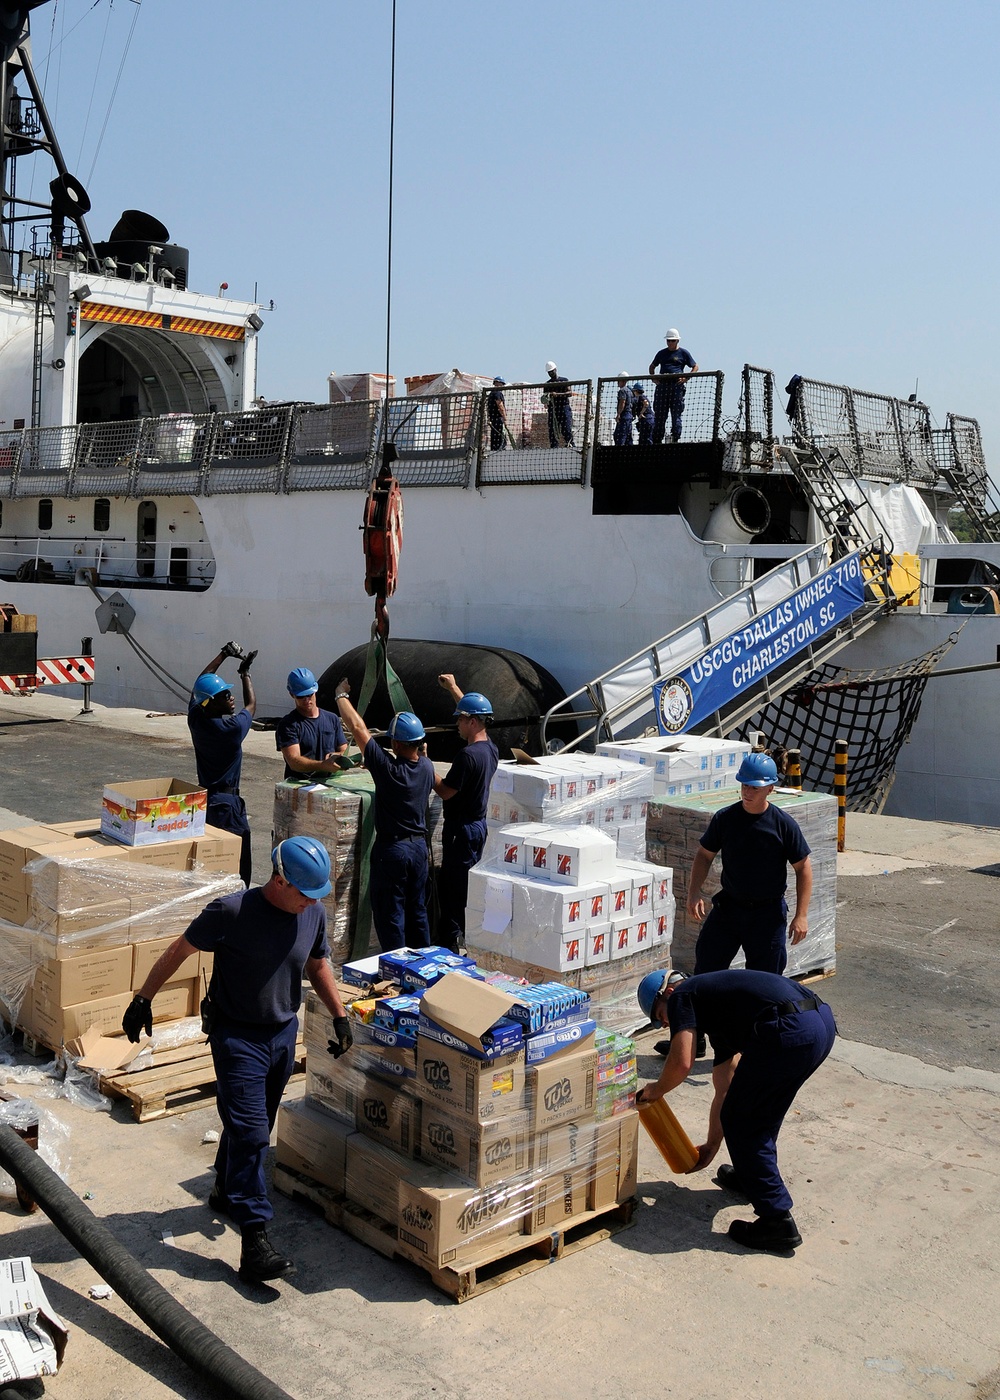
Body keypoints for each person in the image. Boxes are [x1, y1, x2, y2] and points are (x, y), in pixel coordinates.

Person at [121, 836, 353, 1284]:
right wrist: (143, 998)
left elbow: (318, 962)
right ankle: (255, 1241)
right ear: (280, 880)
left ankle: (227, 1190)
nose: (312, 903)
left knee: (255, 1124)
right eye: (306, 894)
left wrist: (339, 1016)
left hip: (283, 1034)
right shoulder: (230, 912)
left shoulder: (313, 913)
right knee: (251, 1134)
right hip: (237, 1038)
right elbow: (180, 949)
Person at [635, 968, 837, 1252]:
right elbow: (725, 1087)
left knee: (744, 1121)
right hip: (819, 1024)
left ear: (666, 993)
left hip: (789, 1028)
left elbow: (681, 1062)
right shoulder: (718, 1009)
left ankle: (776, 1220)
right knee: (757, 1109)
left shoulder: (683, 994)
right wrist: (712, 1145)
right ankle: (750, 1174)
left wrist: (655, 1089)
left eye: (661, 1016)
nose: (668, 1025)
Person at [686, 751, 812, 977]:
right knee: (706, 969)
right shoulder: (725, 819)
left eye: (754, 787)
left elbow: (803, 868)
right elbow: (704, 855)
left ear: (770, 789)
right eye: (744, 785)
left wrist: (801, 915)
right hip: (729, 909)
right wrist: (693, 893)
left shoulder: (783, 825)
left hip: (767, 915)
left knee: (764, 982)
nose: (747, 792)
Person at [333, 680, 435, 950]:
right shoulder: (426, 767)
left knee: (391, 915)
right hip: (418, 850)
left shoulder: (389, 771)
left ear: (396, 743)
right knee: (418, 912)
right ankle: (423, 963)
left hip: (394, 851)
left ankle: (395, 969)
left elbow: (358, 728)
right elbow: (415, 759)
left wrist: (341, 695)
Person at [433, 675, 499, 952]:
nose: (457, 724)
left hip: (461, 830)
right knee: (466, 885)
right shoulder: (490, 749)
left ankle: (453, 945)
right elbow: (472, 708)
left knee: (454, 889)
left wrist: (426, 768)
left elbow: (446, 791)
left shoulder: (467, 757)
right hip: (477, 827)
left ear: (472, 722)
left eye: (460, 719)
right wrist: (453, 689)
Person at [187, 643, 258, 887]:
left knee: (210, 864)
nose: (231, 697)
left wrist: (223, 655)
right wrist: (245, 673)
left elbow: (199, 684)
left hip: (205, 802)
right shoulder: (231, 729)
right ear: (211, 703)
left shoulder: (196, 718)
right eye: (225, 696)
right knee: (238, 866)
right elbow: (251, 706)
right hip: (227, 807)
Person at [275, 667, 348, 781]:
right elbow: (294, 761)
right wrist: (322, 765)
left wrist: (338, 757)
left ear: (315, 691)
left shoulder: (332, 719)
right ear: (291, 694)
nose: (306, 699)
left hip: (330, 784)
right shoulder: (288, 724)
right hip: (300, 786)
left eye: (309, 694)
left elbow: (344, 750)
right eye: (301, 696)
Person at [648, 329, 698, 443]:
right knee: (660, 415)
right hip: (663, 386)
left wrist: (686, 378)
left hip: (676, 386)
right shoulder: (661, 353)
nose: (670, 343)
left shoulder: (684, 353)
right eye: (668, 341)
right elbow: (652, 366)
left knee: (676, 414)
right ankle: (657, 439)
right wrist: (653, 378)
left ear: (677, 341)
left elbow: (695, 366)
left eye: (672, 341)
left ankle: (675, 438)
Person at [542, 362, 576, 447]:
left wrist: (557, 394)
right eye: (549, 372)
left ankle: (570, 444)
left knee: (566, 428)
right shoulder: (547, 384)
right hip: (553, 410)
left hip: (564, 407)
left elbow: (569, 393)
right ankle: (554, 447)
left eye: (552, 371)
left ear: (555, 370)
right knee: (552, 429)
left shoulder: (563, 380)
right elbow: (545, 397)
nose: (551, 374)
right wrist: (546, 400)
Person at [487, 377, 509, 451]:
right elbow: (500, 405)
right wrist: (505, 418)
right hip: (498, 419)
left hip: (493, 419)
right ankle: (500, 451)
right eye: (502, 384)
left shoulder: (491, 393)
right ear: (498, 383)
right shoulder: (497, 393)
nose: (502, 386)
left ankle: (494, 450)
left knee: (494, 437)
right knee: (501, 438)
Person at [613, 374, 634, 447]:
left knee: (619, 436)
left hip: (624, 415)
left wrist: (619, 414)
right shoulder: (630, 391)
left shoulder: (622, 391)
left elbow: (622, 402)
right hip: (629, 415)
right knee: (628, 437)